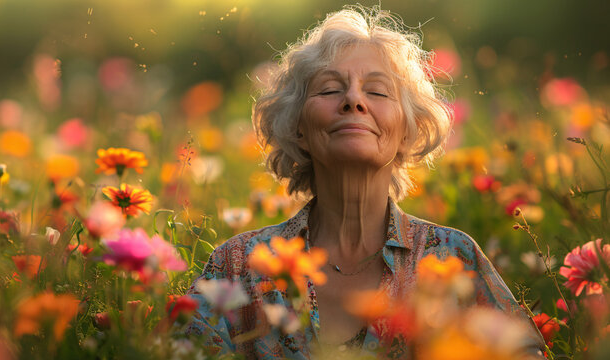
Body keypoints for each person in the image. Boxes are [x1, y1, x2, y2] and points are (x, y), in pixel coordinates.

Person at [181, 6, 544, 359]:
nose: (353, 99)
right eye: (328, 89)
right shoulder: (239, 265)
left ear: (406, 131)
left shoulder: (453, 258)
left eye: (377, 91)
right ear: (298, 128)